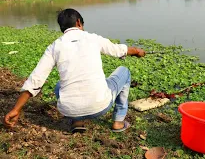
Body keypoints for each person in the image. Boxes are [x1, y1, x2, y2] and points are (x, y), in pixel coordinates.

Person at [3, 8, 145, 133]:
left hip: (68, 110)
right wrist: (137, 51)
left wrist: (16, 109)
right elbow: (119, 50)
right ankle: (118, 121)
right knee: (124, 71)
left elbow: (36, 79)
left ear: (62, 27)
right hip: (100, 106)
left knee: (59, 85)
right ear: (79, 22)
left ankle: (77, 120)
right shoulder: (92, 38)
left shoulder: (54, 47)